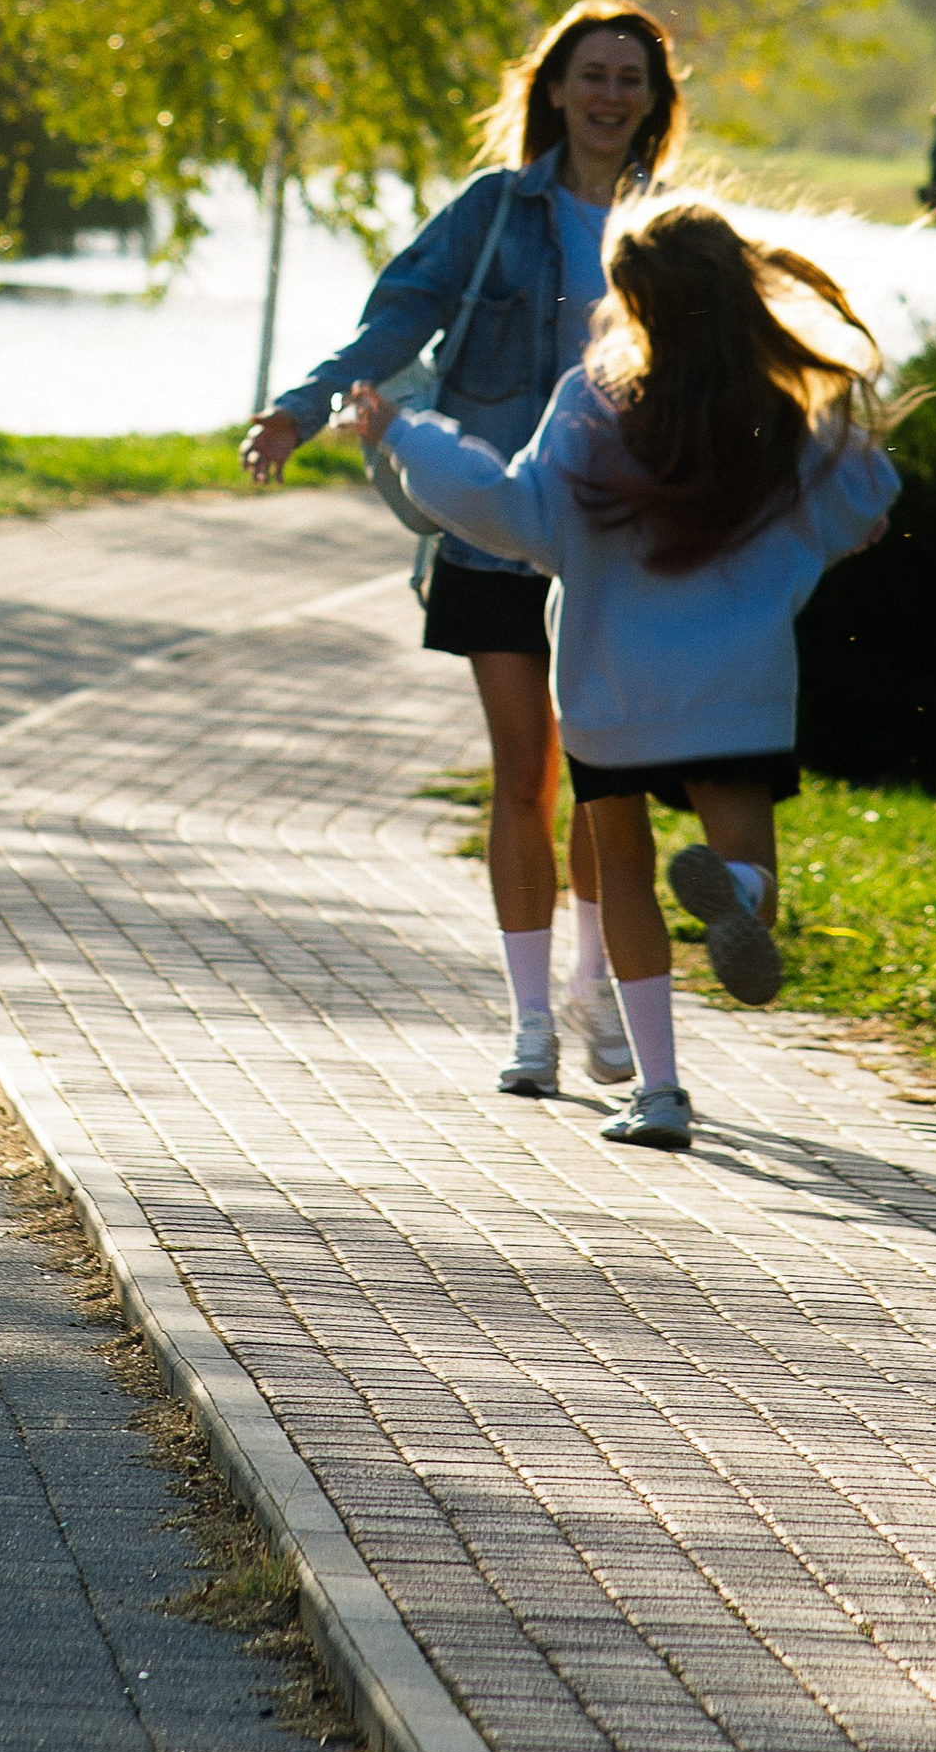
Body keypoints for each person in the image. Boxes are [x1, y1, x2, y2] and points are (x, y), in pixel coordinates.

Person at [342, 199, 899, 1148]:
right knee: (748, 857)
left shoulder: (591, 403)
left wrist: (408, 433)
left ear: (631, 300)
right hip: (740, 688)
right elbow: (867, 503)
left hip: (611, 690)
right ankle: (742, 895)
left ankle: (662, 1093)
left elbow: (514, 513)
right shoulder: (779, 413)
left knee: (625, 873)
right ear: (737, 293)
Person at [241, 2, 684, 1091]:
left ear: (652, 101)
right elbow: (396, 318)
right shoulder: (496, 209)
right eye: (592, 73)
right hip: (492, 531)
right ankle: (531, 1024)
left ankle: (597, 985)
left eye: (630, 77)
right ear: (555, 87)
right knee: (523, 772)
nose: (609, 94)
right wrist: (297, 411)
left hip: (610, 542)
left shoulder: (674, 228)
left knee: (605, 783)